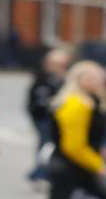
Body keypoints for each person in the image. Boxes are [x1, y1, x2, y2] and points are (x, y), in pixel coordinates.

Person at [15, 61, 106, 199]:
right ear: (78, 80)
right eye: (91, 78)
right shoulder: (75, 103)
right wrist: (98, 164)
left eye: (98, 77)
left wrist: (99, 152)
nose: (96, 82)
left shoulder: (91, 101)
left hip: (77, 166)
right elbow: (73, 146)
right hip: (69, 166)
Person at [26, 48, 73, 182]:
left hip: (57, 118)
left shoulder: (65, 77)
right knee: (46, 144)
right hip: (43, 117)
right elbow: (41, 100)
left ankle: (39, 173)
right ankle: (39, 173)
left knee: (51, 145)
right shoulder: (42, 77)